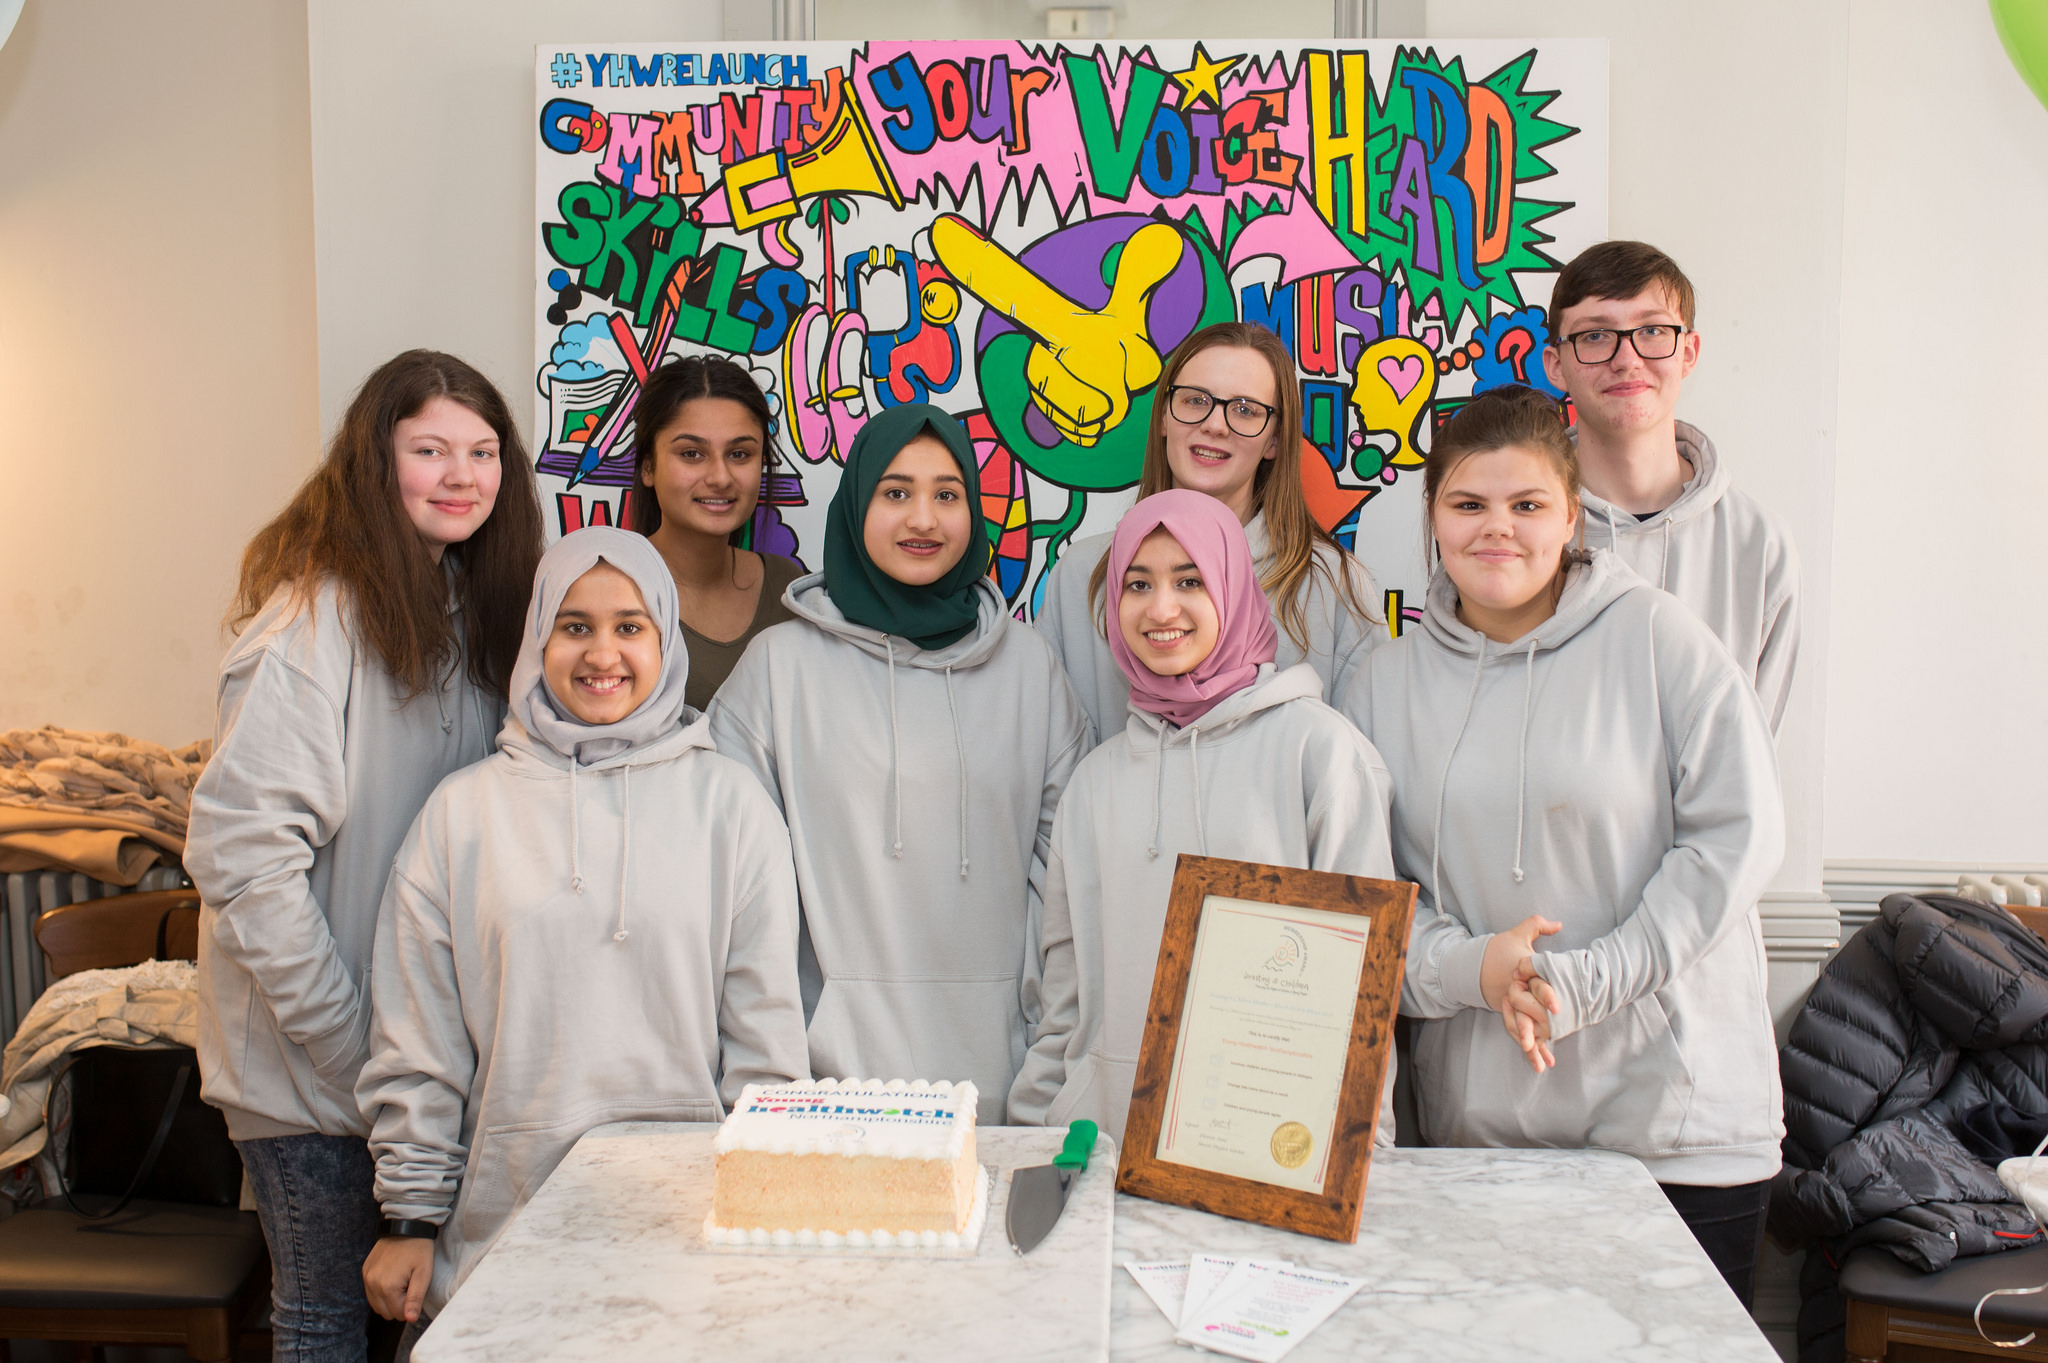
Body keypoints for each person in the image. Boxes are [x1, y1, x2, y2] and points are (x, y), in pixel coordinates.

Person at [1340, 387, 1785, 1307]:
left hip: (1677, 1134)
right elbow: (1369, 903)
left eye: (1528, 503)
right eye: (1469, 503)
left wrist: (1587, 980)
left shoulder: (1660, 637)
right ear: (1432, 517)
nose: (1497, 528)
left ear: (1572, 515)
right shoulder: (1381, 683)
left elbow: (1737, 840)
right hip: (1481, 1140)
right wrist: (1475, 969)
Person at [357, 527, 807, 1343]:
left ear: (665, 637)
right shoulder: (461, 815)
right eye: (575, 626)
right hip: (504, 1241)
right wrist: (410, 1215)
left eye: (630, 625)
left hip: (691, 1243)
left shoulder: (733, 808)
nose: (603, 653)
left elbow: (765, 1041)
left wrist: (763, 1214)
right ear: (538, 638)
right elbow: (419, 1040)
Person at [185, 350, 543, 1362]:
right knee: (326, 1320)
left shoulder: (468, 608)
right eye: (430, 450)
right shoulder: (313, 623)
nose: (461, 474)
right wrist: (356, 1053)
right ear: (374, 463)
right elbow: (245, 865)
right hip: (314, 1078)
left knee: (427, 1321)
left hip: (411, 1070)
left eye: (483, 451)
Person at [709, 404, 1089, 1124]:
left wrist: (1043, 1075)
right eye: (895, 492)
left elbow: (1068, 891)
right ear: (856, 505)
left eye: (947, 494)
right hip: (825, 1102)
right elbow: (737, 903)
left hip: (1004, 1096)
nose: (923, 518)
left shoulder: (1031, 671)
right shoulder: (777, 669)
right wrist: (776, 1085)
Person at [1010, 490, 1395, 1142]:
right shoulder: (1094, 784)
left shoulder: (1319, 753)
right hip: (1107, 1155)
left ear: (1234, 588)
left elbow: (1363, 994)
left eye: (1190, 581)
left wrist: (1363, 1152)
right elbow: (1064, 1008)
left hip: (1264, 1162)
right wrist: (1035, 1144)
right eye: (1138, 583)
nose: (1162, 608)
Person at [1034, 321, 1380, 747]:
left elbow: (1360, 761)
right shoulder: (1080, 576)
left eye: (1245, 410)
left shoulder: (1334, 588)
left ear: (1274, 440)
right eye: (1195, 400)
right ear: (1164, 417)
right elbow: (1053, 755)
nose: (1215, 425)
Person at [1542, 240, 1800, 732]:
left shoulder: (1758, 544)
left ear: (1688, 352)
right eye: (1595, 335)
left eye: (1653, 331)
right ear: (1557, 365)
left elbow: (1750, 752)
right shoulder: (1514, 529)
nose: (1626, 359)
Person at [630, 354, 805, 712]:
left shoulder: (787, 587)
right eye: (692, 453)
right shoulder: (607, 588)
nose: (721, 477)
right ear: (648, 467)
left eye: (739, 454)